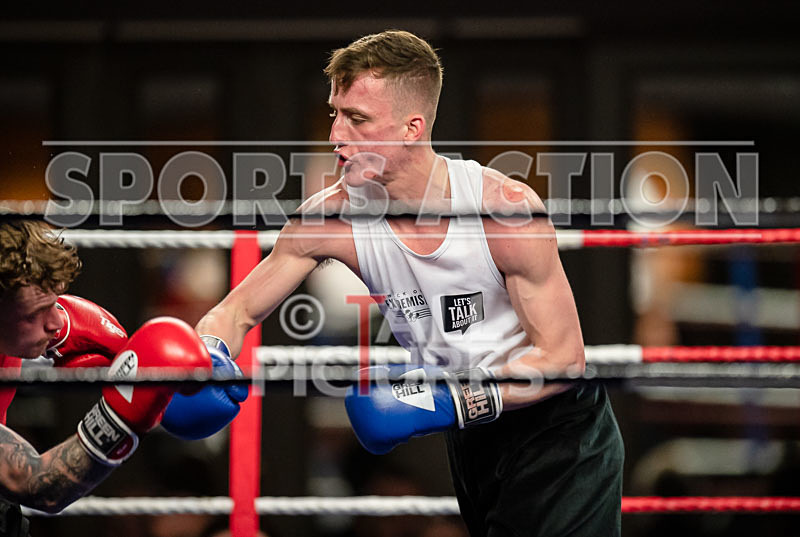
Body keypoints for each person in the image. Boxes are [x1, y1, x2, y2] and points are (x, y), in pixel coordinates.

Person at [194, 30, 624, 536]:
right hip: (472, 440)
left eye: (357, 119)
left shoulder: (501, 210)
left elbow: (564, 359)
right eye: (335, 113)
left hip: (558, 431)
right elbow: (235, 311)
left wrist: (450, 400)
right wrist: (206, 355)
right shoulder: (332, 219)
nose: (336, 135)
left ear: (411, 128)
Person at [0, 221, 237, 537]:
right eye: (37, 313)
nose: (57, 321)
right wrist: (125, 414)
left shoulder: (22, 312)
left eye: (55, 302)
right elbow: (37, 484)